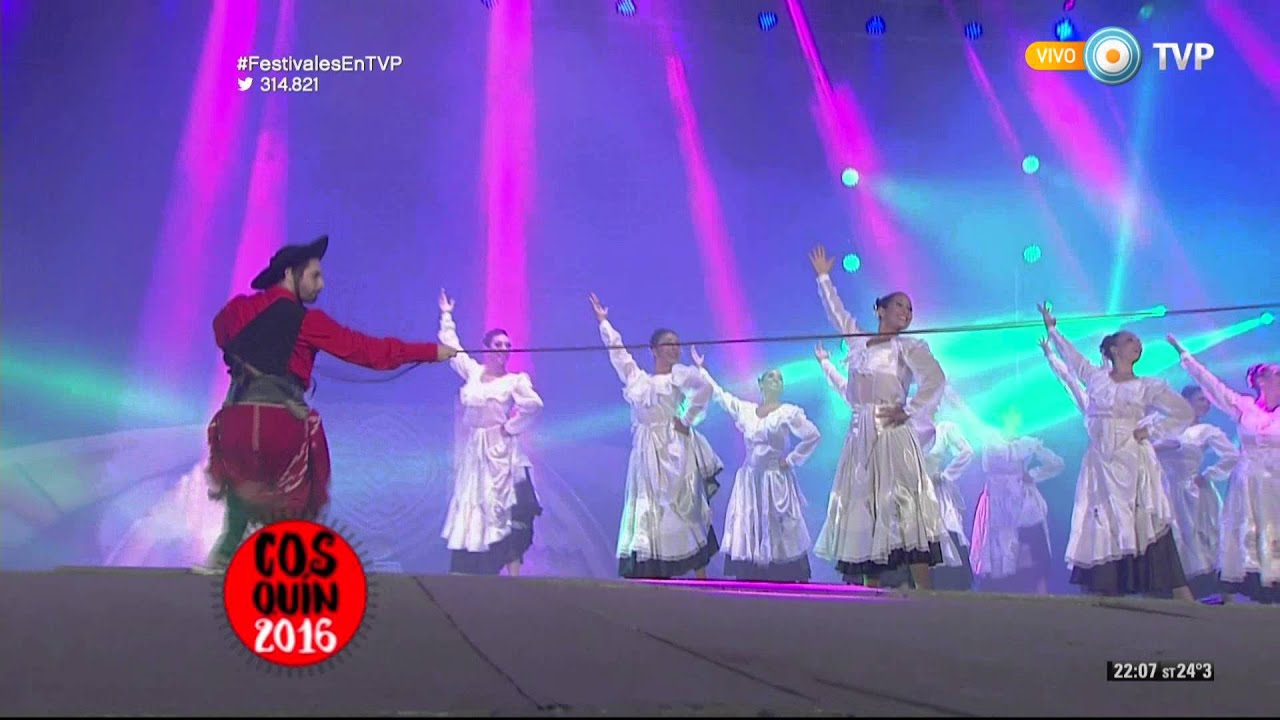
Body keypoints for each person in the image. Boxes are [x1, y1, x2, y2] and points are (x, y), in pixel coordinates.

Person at [195, 236, 458, 574]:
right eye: (315, 276)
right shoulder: (307, 322)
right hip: (281, 421)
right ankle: (282, 572)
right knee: (300, 495)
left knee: (242, 492)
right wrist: (430, 352)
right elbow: (368, 351)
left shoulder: (238, 310)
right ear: (290, 273)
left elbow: (221, 331)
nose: (322, 284)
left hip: (232, 422)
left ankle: (225, 554)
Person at [807, 246, 948, 589]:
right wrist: (824, 277)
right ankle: (871, 597)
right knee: (864, 506)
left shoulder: (909, 348)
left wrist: (910, 409)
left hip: (892, 432)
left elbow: (936, 380)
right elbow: (837, 314)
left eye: (911, 308)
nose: (907, 312)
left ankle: (925, 594)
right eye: (900, 304)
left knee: (903, 504)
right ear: (880, 309)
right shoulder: (858, 344)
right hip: (860, 438)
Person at [1038, 304, 1195, 600]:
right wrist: (1053, 330)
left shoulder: (1148, 386)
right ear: (1112, 349)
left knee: (1140, 517)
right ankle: (1107, 589)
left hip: (1131, 458)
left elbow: (1182, 412)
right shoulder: (1096, 379)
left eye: (1137, 341)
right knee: (1103, 519)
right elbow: (1073, 360)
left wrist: (1150, 430)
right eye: (1129, 340)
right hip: (1101, 461)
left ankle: (1177, 592)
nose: (1136, 344)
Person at [589, 292, 724, 579]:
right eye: (668, 344)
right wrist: (604, 322)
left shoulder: (681, 375)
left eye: (677, 345)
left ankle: (702, 577)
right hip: (646, 451)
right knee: (650, 508)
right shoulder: (640, 380)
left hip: (674, 447)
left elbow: (705, 390)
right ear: (654, 349)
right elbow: (618, 354)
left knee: (682, 506)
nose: (674, 349)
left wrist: (686, 420)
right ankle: (654, 572)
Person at [437, 289, 544, 576]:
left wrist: (510, 427)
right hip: (476, 448)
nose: (503, 349)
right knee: (474, 501)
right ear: (487, 347)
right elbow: (453, 350)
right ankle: (472, 565)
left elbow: (534, 405)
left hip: (500, 449)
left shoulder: (515, 381)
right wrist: (447, 315)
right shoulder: (473, 373)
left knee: (502, 506)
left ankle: (507, 569)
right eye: (498, 344)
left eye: (507, 345)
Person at [690, 346, 820, 582]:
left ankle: (784, 575)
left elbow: (812, 435)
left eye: (780, 379)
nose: (776, 381)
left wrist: (790, 460)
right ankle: (752, 575)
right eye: (771, 377)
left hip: (775, 478)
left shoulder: (788, 412)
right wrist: (702, 370)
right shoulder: (747, 411)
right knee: (751, 522)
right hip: (750, 480)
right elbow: (721, 396)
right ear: (761, 383)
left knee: (779, 524)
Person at [1168, 335, 1278, 604]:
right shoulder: (1245, 406)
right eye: (1277, 373)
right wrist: (1185, 355)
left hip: (1276, 481)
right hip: (1248, 481)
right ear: (1260, 381)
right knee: (1246, 531)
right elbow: (1212, 386)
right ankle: (1248, 590)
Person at [1151, 383, 1239, 598]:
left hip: (1192, 492)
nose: (1206, 404)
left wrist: (1209, 474)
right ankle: (1176, 592)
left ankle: (1223, 594)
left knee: (1202, 540)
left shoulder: (1205, 431)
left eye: (1208, 400)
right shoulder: (1161, 426)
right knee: (1172, 537)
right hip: (1164, 491)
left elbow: (1232, 455)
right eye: (1201, 399)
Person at [968, 405, 1065, 595]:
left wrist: (1033, 474)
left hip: (1022, 504)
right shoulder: (990, 439)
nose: (1013, 419)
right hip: (996, 502)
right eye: (1008, 416)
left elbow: (1057, 463)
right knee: (997, 551)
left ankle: (1041, 603)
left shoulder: (1026, 443)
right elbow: (970, 419)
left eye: (1016, 416)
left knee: (1031, 553)